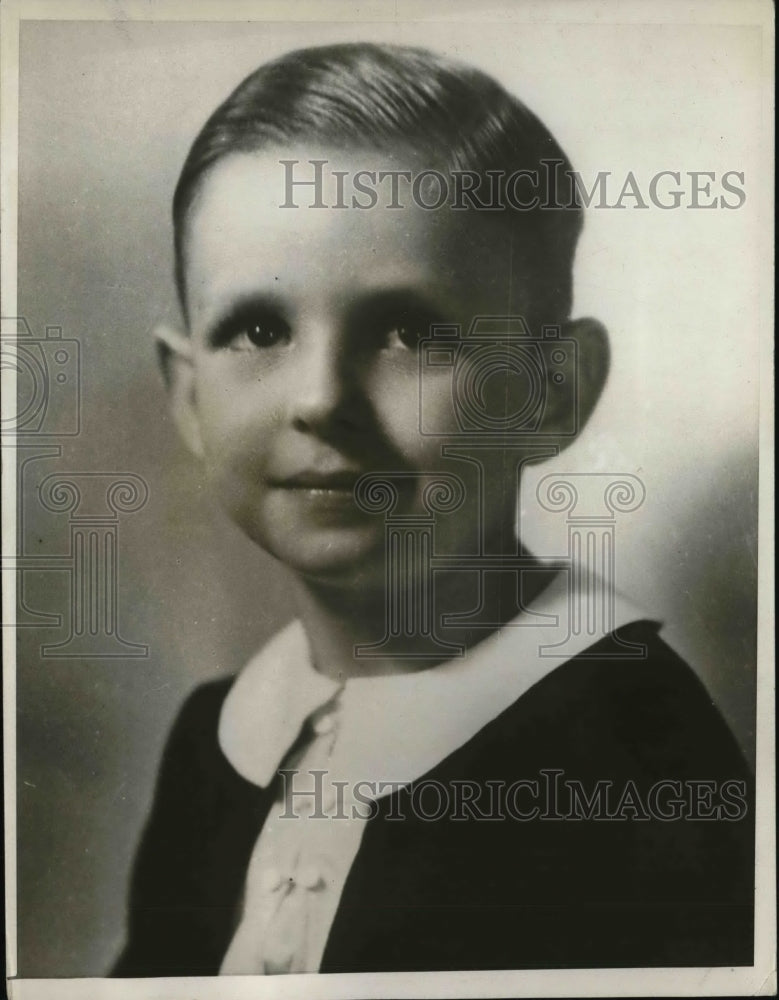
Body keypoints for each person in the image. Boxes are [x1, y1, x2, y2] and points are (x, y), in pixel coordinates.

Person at [113, 42, 754, 976]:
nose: (320, 398)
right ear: (188, 397)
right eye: (259, 328)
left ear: (552, 392)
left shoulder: (629, 744)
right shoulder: (219, 737)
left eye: (411, 332)